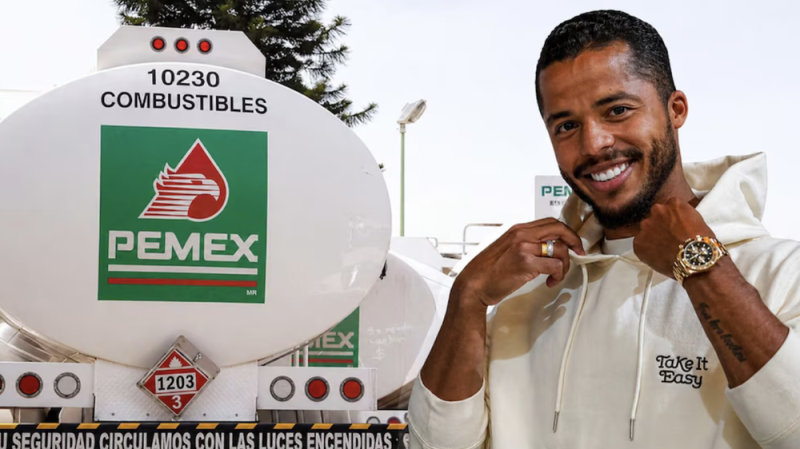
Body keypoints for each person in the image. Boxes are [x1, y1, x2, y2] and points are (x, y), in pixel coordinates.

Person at [408, 9, 800, 449]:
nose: (594, 144)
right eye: (566, 126)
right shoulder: (525, 295)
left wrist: (701, 265)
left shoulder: (782, 273)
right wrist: (467, 297)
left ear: (675, 110)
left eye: (617, 110)